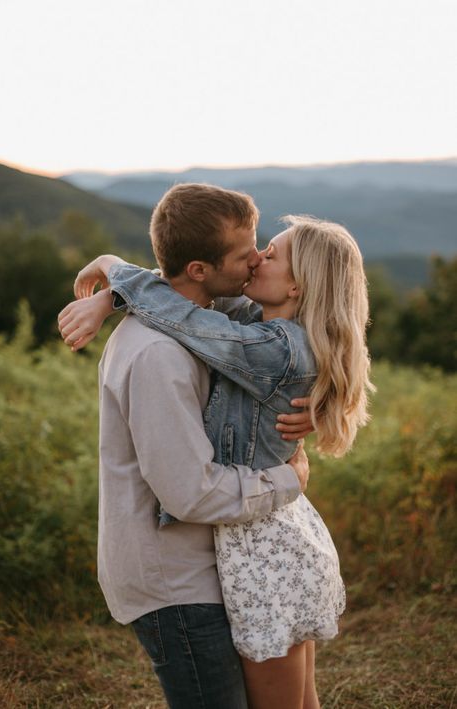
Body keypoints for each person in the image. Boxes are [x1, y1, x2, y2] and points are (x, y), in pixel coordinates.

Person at [60, 191, 374, 709]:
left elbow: (183, 309)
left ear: (298, 285)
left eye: (268, 251)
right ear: (203, 269)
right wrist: (114, 286)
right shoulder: (168, 348)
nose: (257, 259)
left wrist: (117, 279)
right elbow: (192, 492)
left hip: (249, 549)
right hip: (183, 572)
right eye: (253, 251)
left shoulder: (258, 337)